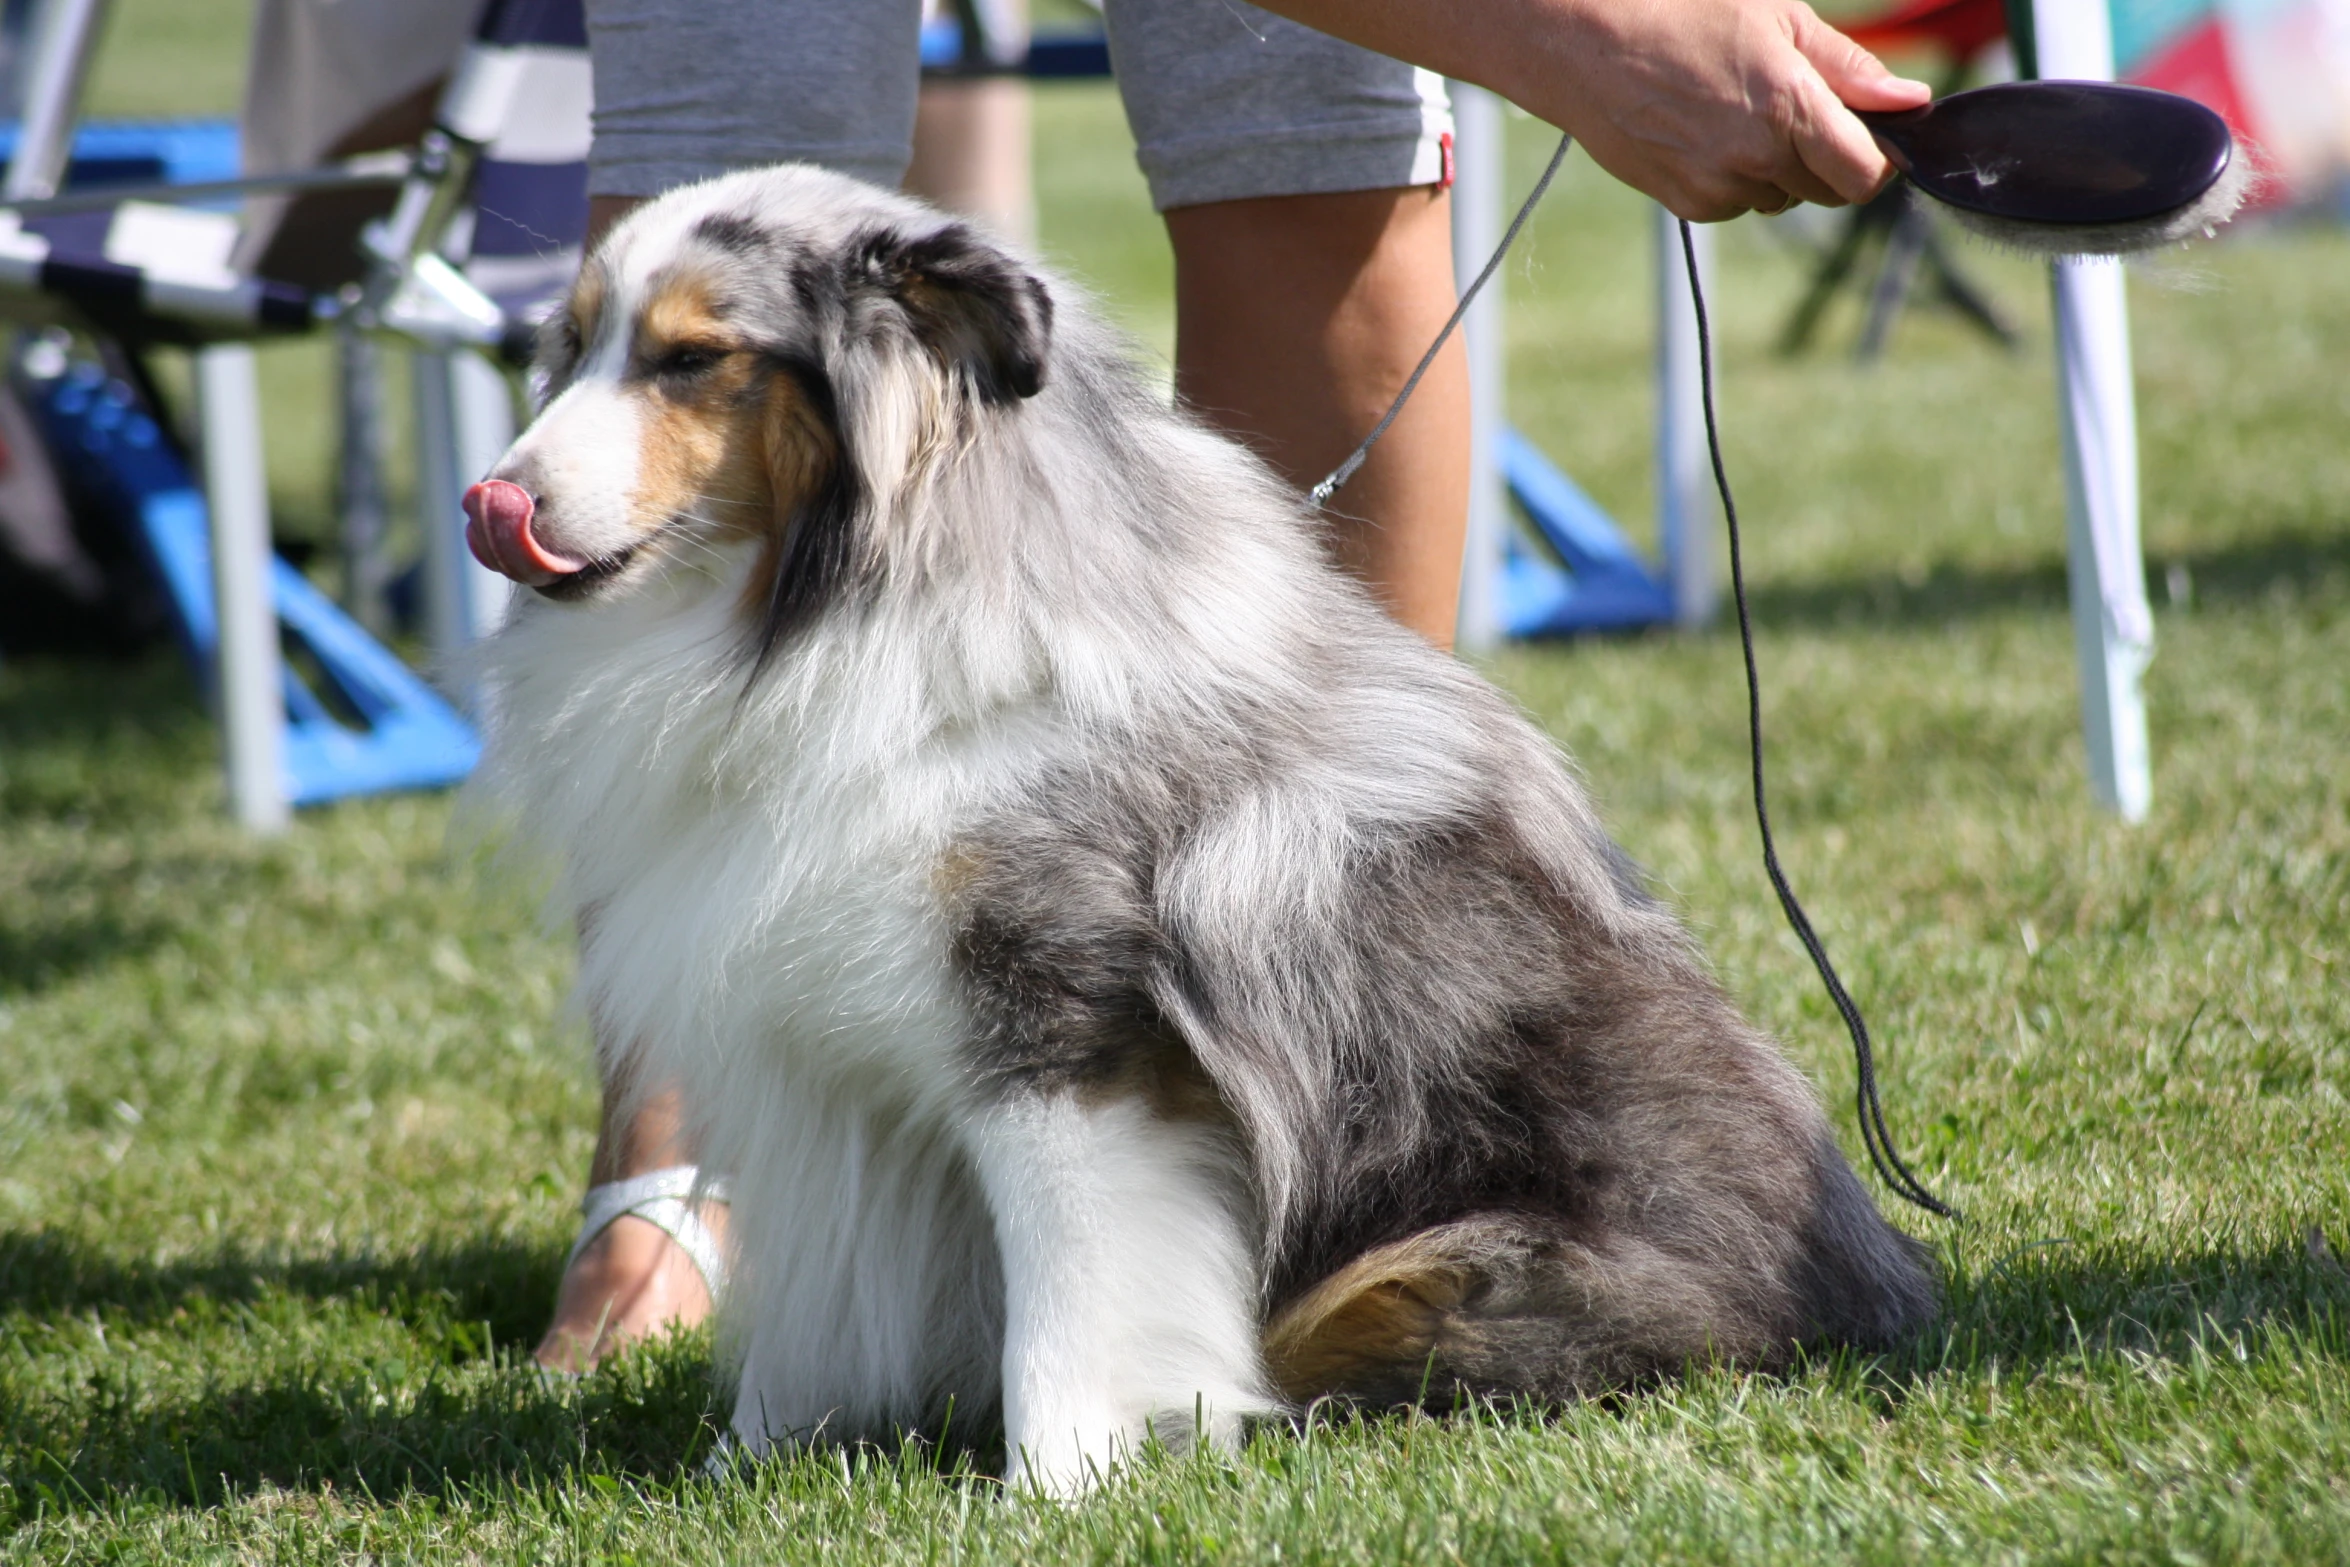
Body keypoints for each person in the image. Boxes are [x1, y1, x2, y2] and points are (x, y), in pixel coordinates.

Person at [535, 0, 1929, 1371]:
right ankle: (678, 1188)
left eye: (680, 363)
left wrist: (1601, 31)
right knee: (724, 113)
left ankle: (1126, 1344)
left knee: (1293, 135)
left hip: (1545, 1226)